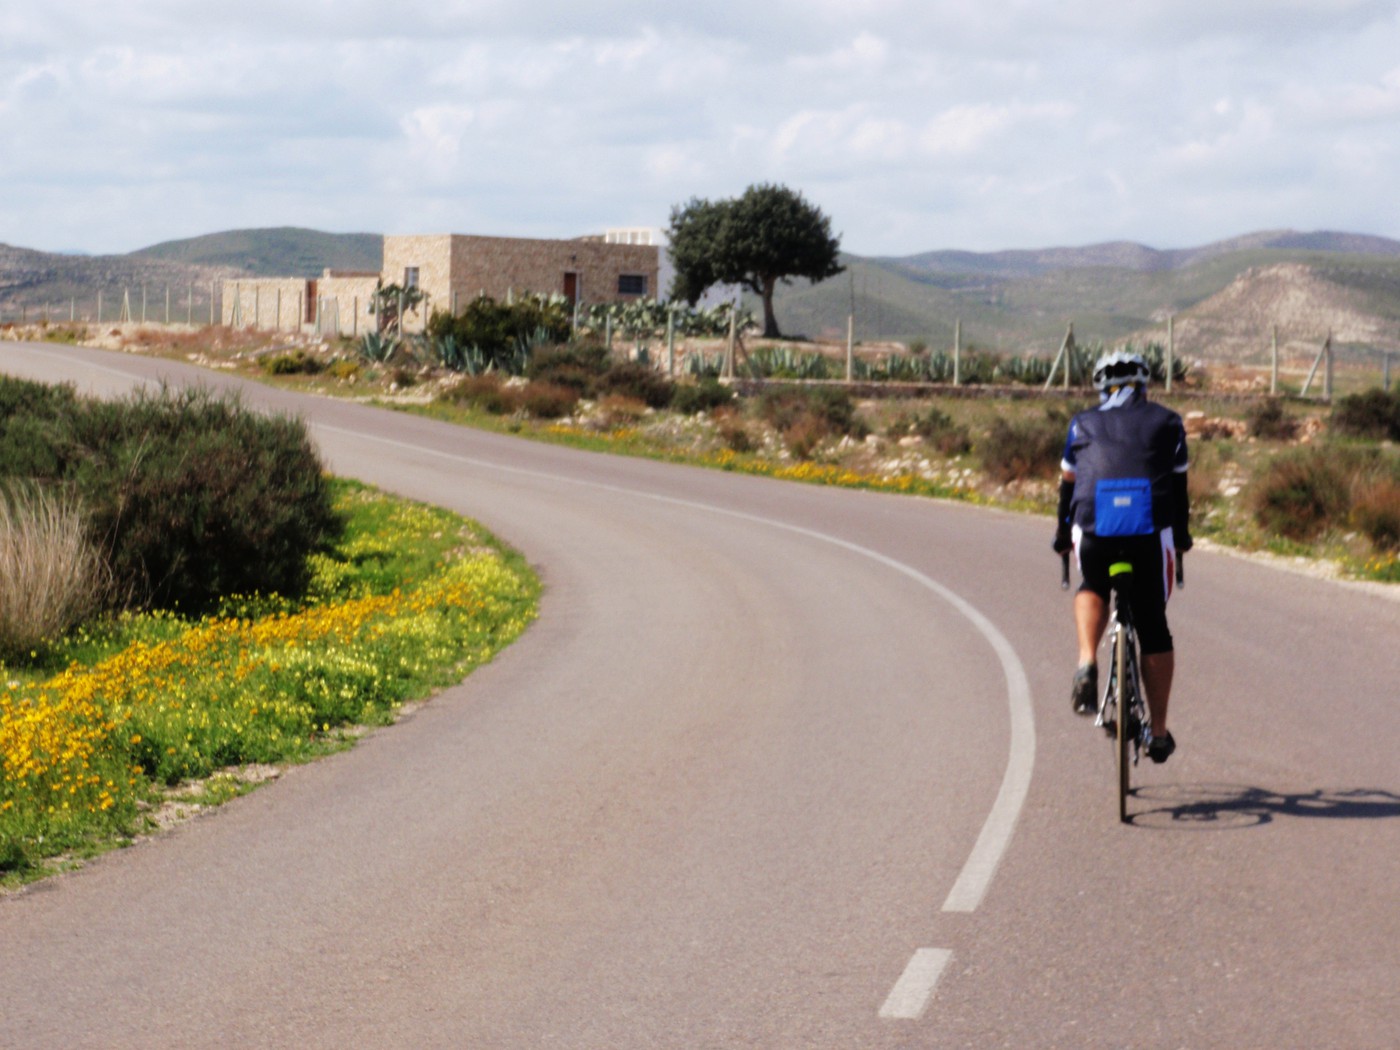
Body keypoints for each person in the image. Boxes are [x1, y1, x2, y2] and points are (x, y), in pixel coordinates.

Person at [1053, 350, 1191, 763]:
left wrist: (1062, 537)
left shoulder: (1082, 422)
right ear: (1144, 386)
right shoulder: (1168, 421)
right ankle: (1160, 733)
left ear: (1100, 388)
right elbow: (1180, 492)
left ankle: (1085, 662)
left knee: (1093, 584)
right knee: (1153, 625)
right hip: (1149, 534)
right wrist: (1181, 538)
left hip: (1095, 529)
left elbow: (1066, 491)